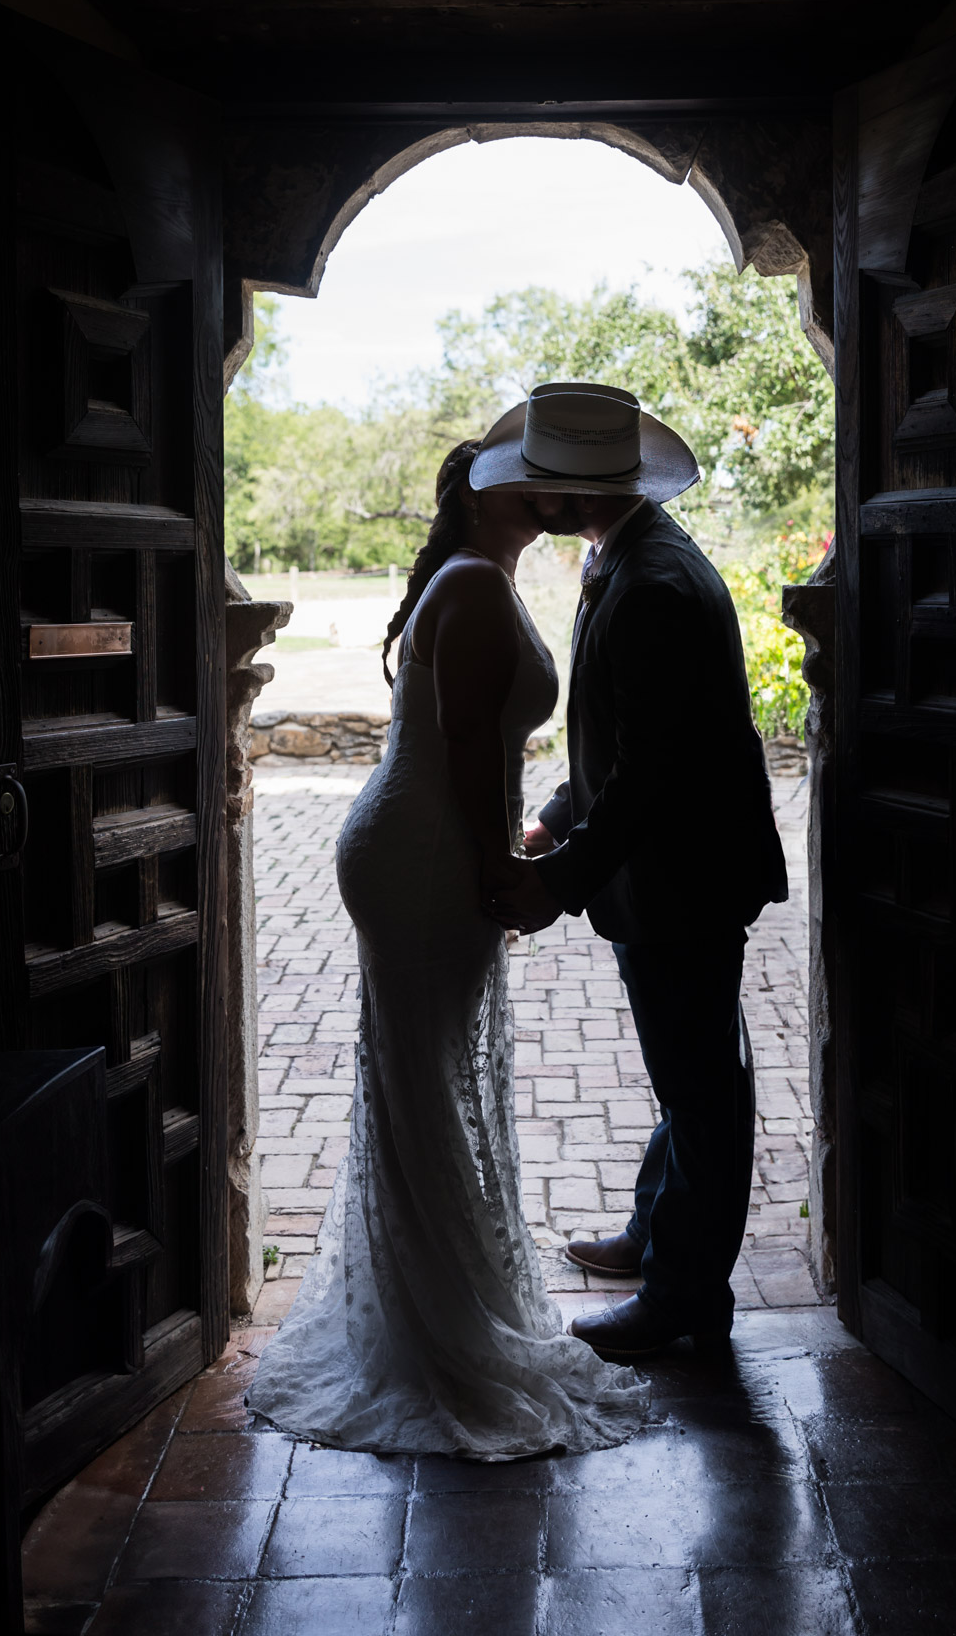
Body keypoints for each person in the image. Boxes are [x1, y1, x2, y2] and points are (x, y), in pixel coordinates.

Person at [248, 439, 648, 1460]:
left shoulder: (489, 579)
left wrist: (513, 840)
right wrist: (491, 867)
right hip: (422, 855)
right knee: (423, 1086)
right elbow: (468, 747)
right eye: (530, 477)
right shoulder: (471, 585)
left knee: (422, 1079)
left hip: (431, 841)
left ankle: (444, 1312)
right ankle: (435, 1338)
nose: (552, 488)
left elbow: (481, 748)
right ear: (481, 493)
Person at [482, 382, 789, 1359]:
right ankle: (658, 1233)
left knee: (700, 1088)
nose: (535, 496)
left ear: (582, 489)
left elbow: (651, 775)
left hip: (684, 877)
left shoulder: (652, 585)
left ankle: (683, 1295)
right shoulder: (627, 556)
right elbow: (617, 741)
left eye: (545, 483)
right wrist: (550, 820)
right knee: (689, 1071)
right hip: (678, 872)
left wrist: (557, 882)